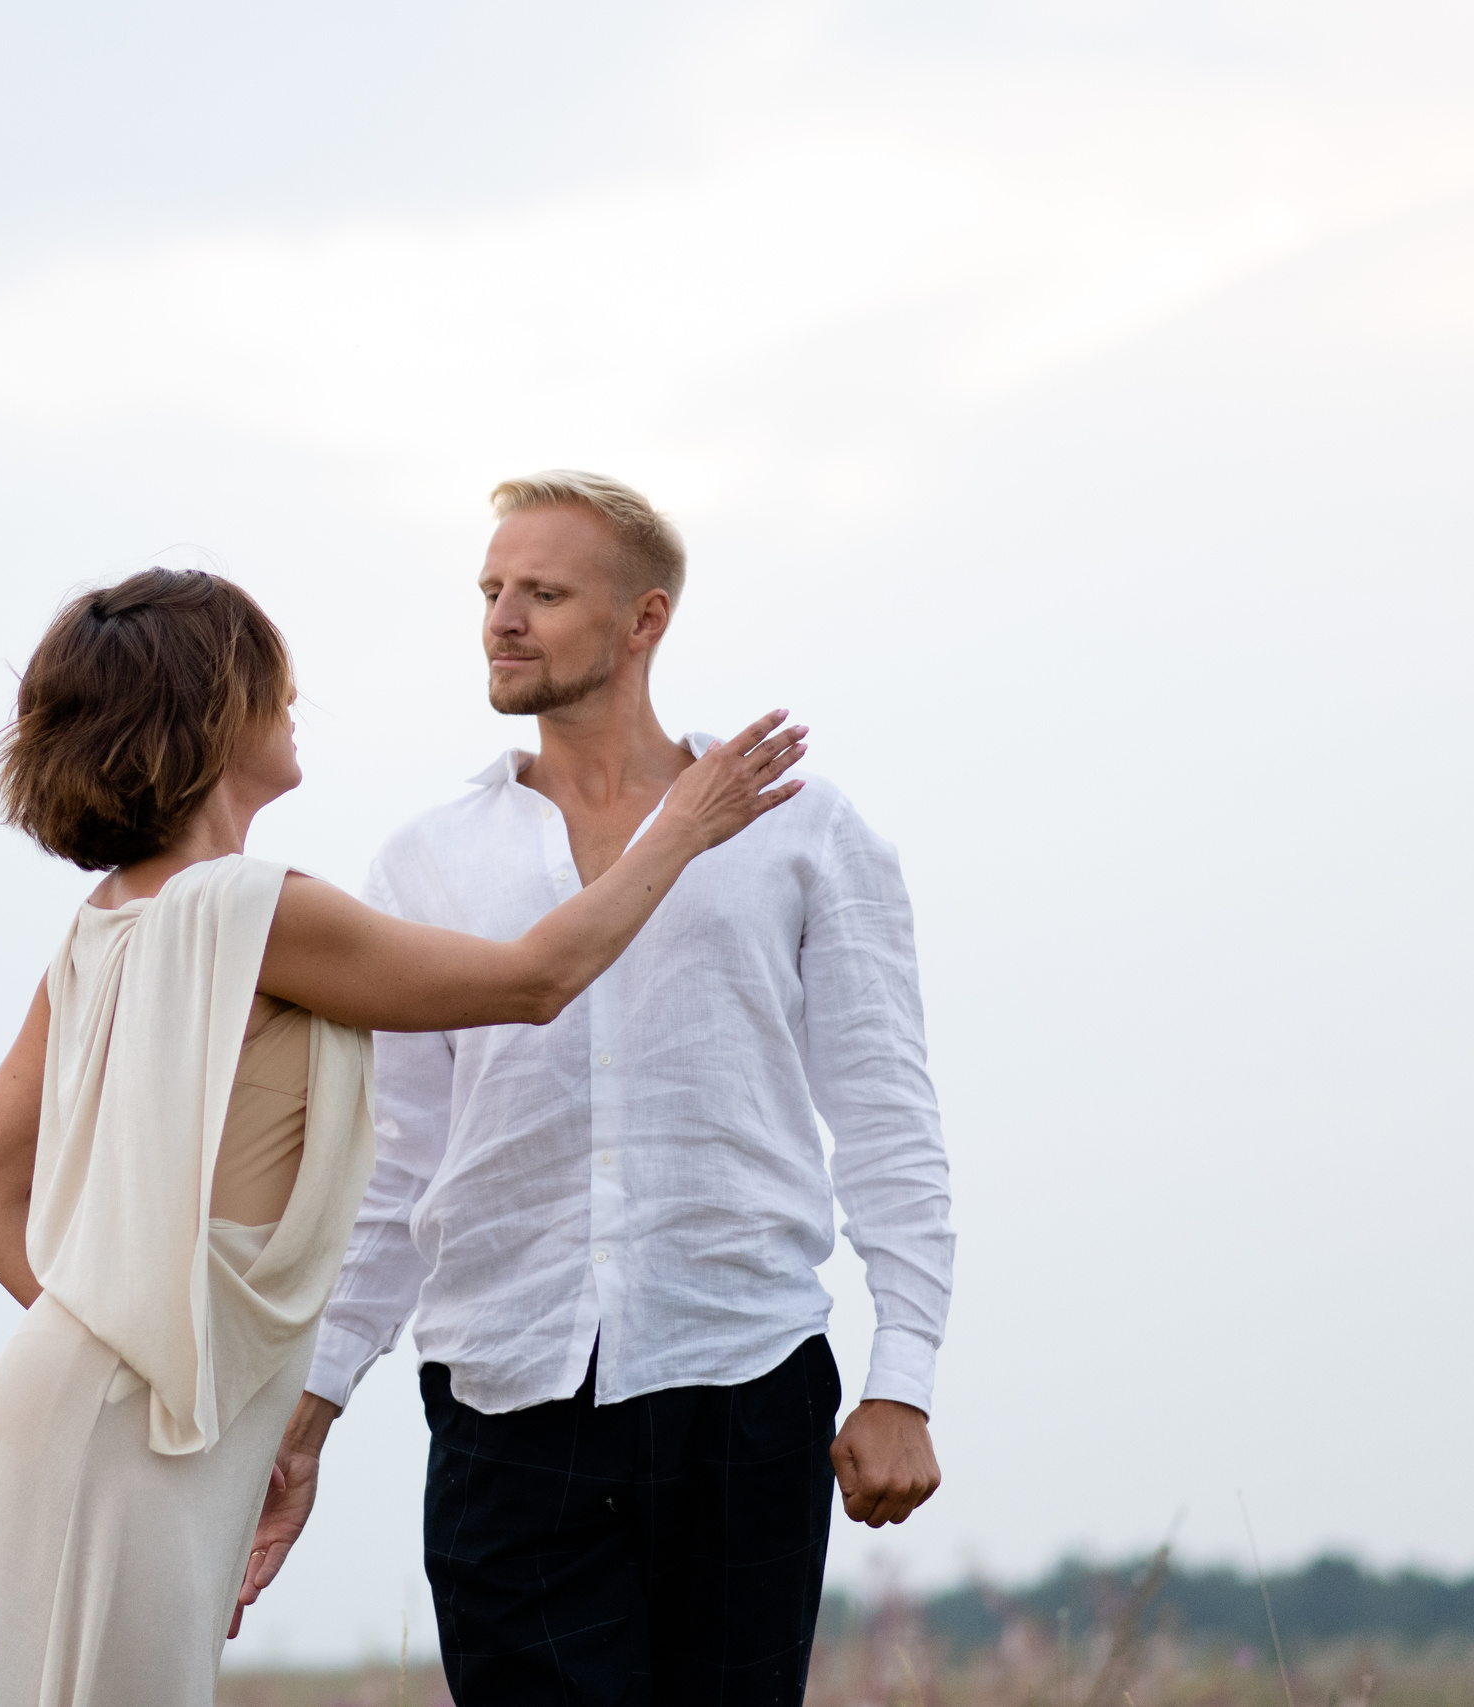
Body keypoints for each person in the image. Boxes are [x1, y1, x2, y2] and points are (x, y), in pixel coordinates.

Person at [0, 566, 806, 1707]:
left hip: (57, 1400)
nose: (292, 700)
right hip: (132, 1424)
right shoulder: (244, 907)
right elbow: (533, 980)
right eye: (270, 679)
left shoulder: (102, 926)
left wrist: (133, 1339)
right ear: (211, 710)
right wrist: (680, 826)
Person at [239, 471, 958, 1705]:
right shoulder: (424, 860)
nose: (501, 618)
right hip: (504, 1401)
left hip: (744, 1383)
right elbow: (400, 1160)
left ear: (644, 622)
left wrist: (904, 1377)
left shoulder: (800, 828)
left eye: (543, 592)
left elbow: (888, 1116)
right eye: (490, 591)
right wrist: (308, 1412)